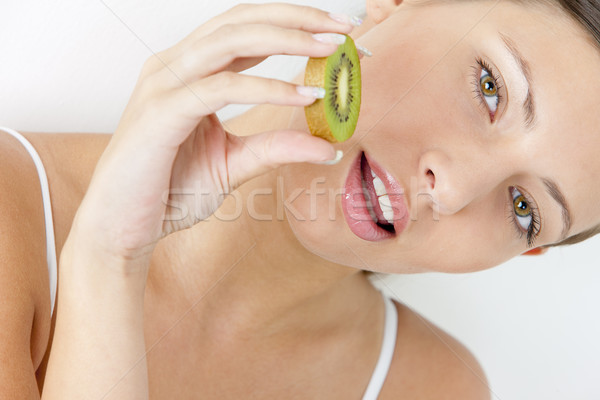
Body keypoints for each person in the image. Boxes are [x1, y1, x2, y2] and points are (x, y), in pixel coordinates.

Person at [2, 0, 600, 398]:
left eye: (525, 208)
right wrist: (106, 258)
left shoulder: (434, 388)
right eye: (490, 87)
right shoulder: (11, 214)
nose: (454, 189)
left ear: (526, 254)